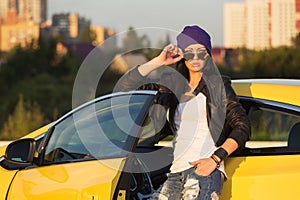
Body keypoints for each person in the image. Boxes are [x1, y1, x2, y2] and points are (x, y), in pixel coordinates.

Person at [116, 25, 251, 199]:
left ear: (209, 54)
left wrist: (216, 159)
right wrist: (158, 61)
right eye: (189, 52)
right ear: (182, 54)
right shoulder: (170, 86)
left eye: (201, 52)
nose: (196, 58)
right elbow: (124, 88)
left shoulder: (218, 86)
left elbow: (242, 126)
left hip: (204, 172)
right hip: (175, 172)